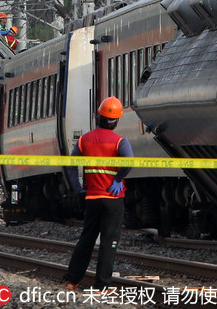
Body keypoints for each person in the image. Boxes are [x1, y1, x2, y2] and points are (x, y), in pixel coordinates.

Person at [64, 97, 132, 293]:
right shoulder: (120, 141)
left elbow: (70, 164)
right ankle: (101, 286)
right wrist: (118, 179)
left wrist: (77, 187)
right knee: (109, 242)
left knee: (86, 239)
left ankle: (72, 281)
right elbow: (129, 161)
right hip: (113, 199)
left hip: (92, 198)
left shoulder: (84, 139)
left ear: (99, 115)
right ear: (116, 120)